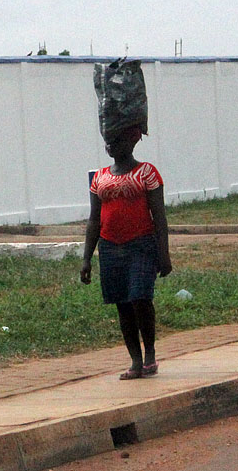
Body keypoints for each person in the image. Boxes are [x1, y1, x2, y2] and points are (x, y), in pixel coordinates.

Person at [80, 125, 172, 380]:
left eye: (117, 140)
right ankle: (135, 360)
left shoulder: (147, 173)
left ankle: (150, 352)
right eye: (109, 142)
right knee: (122, 304)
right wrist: (87, 258)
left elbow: (159, 218)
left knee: (140, 299)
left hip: (141, 245)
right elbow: (94, 221)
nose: (112, 146)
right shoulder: (99, 178)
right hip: (110, 248)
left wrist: (164, 255)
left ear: (131, 142)